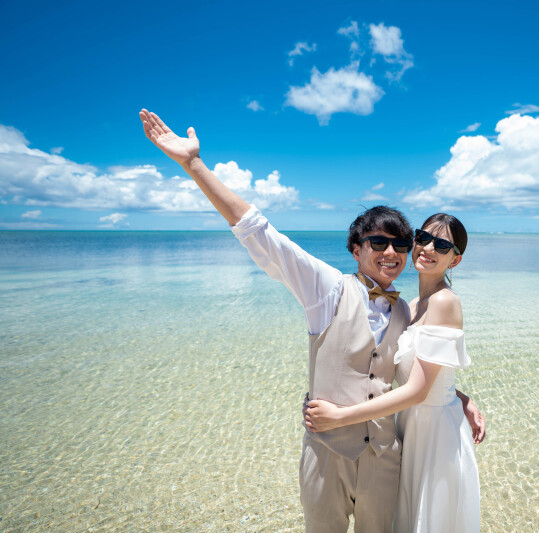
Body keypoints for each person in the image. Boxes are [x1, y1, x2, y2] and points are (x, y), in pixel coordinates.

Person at [138, 110, 485, 533]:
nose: (392, 252)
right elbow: (261, 234)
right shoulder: (328, 288)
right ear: (355, 250)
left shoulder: (406, 310)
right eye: (378, 242)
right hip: (327, 451)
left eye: (399, 243)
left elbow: (421, 369)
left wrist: (457, 398)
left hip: (388, 455)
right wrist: (194, 165)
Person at [304, 213, 481, 533]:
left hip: (432, 429)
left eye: (441, 245)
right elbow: (420, 370)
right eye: (422, 237)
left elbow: (418, 390)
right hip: (406, 424)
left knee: (427, 517)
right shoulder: (410, 306)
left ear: (454, 260)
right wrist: (462, 396)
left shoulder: (444, 302)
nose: (428, 247)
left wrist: (341, 417)